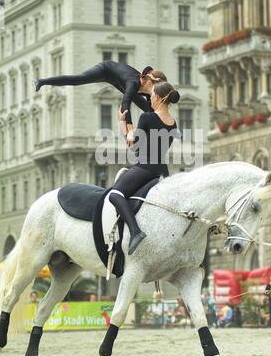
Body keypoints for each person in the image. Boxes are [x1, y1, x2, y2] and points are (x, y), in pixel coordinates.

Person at [109, 81, 181, 255]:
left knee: (115, 194)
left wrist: (122, 123)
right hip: (162, 171)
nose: (150, 99)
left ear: (158, 97)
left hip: (145, 168)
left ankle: (135, 232)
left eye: (151, 95)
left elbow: (135, 147)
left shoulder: (147, 118)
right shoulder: (173, 123)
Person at [34, 61, 167, 135]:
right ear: (149, 83)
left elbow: (154, 107)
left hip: (117, 80)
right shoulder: (133, 84)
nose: (156, 92)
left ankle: (166, 128)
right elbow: (125, 106)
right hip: (105, 70)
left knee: (147, 107)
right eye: (156, 88)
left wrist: (166, 123)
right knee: (79, 79)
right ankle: (42, 81)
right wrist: (130, 130)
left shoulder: (147, 89)